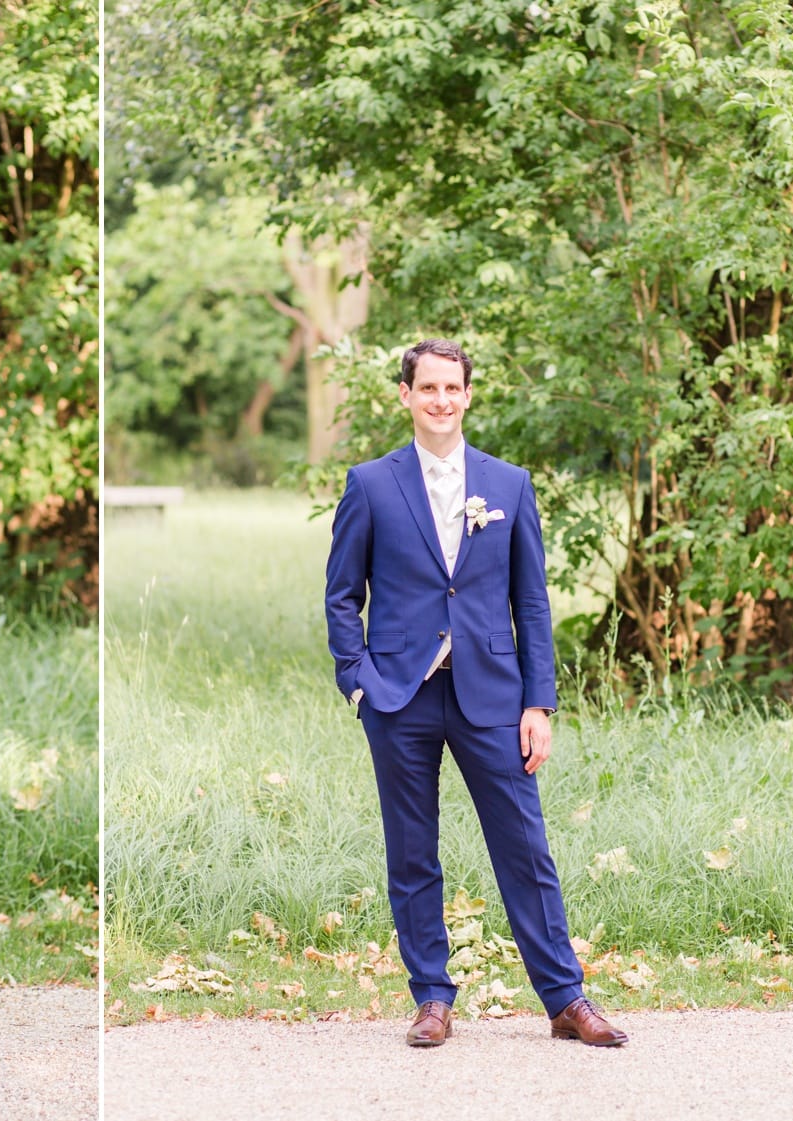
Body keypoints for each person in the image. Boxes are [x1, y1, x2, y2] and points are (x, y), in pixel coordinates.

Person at [324, 338, 626, 1048]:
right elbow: (342, 596)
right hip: (399, 696)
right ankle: (431, 996)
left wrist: (539, 702)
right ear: (405, 394)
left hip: (493, 694)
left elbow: (532, 601)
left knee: (525, 845)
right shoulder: (370, 483)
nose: (440, 400)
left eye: (451, 388)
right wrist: (357, 682)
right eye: (426, 387)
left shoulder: (509, 483)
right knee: (412, 851)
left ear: (467, 395)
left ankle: (564, 997)